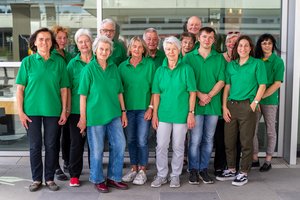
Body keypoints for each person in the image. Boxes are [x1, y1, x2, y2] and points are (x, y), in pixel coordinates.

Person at [16, 27, 69, 192]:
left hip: (53, 110)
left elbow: (64, 89)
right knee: (35, 145)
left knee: (52, 145)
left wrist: (64, 110)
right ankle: (37, 179)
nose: (44, 42)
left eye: (47, 39)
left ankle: (50, 178)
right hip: (31, 111)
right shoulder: (27, 62)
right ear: (34, 42)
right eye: (41, 39)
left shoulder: (59, 62)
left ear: (52, 43)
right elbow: (19, 89)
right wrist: (21, 112)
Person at [77, 36, 128, 193]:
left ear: (110, 52)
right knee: (97, 149)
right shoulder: (88, 70)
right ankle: (98, 179)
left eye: (107, 49)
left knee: (119, 145)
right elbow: (83, 96)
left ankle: (114, 177)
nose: (104, 52)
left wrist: (123, 112)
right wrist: (83, 118)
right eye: (101, 49)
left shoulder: (113, 68)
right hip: (95, 116)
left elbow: (119, 92)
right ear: (95, 50)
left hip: (114, 114)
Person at [216, 35, 267, 186]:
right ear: (236, 48)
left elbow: (262, 85)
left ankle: (243, 172)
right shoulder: (231, 65)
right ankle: (232, 169)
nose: (242, 48)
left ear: (251, 48)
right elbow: (227, 87)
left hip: (247, 106)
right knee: (229, 141)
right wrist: (224, 107)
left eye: (246, 46)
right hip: (231, 106)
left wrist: (255, 102)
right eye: (240, 46)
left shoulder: (257, 64)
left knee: (246, 141)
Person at [150, 36, 196, 188]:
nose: (171, 52)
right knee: (161, 146)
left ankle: (175, 174)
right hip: (163, 114)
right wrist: (155, 114)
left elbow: (192, 92)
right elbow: (156, 94)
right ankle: (162, 174)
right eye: (168, 49)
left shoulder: (187, 69)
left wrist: (191, 112)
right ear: (165, 50)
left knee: (178, 146)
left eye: (174, 49)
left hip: (181, 114)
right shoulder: (159, 70)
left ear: (179, 50)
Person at [183, 27, 225, 185]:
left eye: (211, 37)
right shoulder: (189, 58)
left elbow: (222, 80)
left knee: (208, 139)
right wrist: (200, 95)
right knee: (195, 139)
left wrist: (209, 96)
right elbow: (186, 82)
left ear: (214, 40)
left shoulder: (219, 58)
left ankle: (203, 169)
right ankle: (193, 169)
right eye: (205, 37)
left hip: (213, 105)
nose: (207, 40)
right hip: (196, 105)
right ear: (199, 38)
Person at [119, 36, 156, 185]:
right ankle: (133, 168)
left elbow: (155, 89)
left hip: (144, 109)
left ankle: (142, 170)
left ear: (144, 49)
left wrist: (151, 108)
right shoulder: (122, 67)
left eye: (140, 47)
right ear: (129, 48)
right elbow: (119, 91)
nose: (136, 49)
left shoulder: (150, 65)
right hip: (127, 110)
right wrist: (122, 111)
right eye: (134, 46)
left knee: (142, 140)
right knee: (131, 140)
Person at [252, 34, 285, 172]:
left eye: (269, 43)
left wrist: (259, 98)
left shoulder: (277, 62)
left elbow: (277, 84)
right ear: (260, 45)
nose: (266, 45)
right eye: (264, 43)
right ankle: (254, 158)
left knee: (270, 130)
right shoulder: (255, 60)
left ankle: (268, 160)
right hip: (255, 101)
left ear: (273, 45)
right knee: (252, 131)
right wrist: (256, 99)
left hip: (270, 101)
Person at [66, 28, 93, 187]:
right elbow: (67, 89)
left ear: (91, 42)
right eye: (80, 42)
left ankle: (94, 172)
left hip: (95, 110)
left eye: (86, 41)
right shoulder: (72, 64)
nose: (84, 44)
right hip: (76, 110)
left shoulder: (99, 61)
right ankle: (74, 174)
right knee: (76, 142)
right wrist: (67, 109)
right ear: (77, 45)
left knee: (94, 144)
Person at [214, 31, 241, 176]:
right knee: (220, 138)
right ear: (226, 43)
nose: (233, 44)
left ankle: (234, 167)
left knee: (236, 139)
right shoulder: (219, 58)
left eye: (236, 42)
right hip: (219, 103)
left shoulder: (243, 60)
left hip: (236, 103)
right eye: (230, 41)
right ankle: (219, 165)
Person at [51, 25, 73, 181]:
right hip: (54, 102)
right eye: (59, 37)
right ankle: (55, 167)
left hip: (67, 101)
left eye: (65, 37)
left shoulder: (69, 55)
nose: (63, 40)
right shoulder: (51, 55)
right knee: (54, 136)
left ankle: (66, 162)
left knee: (67, 135)